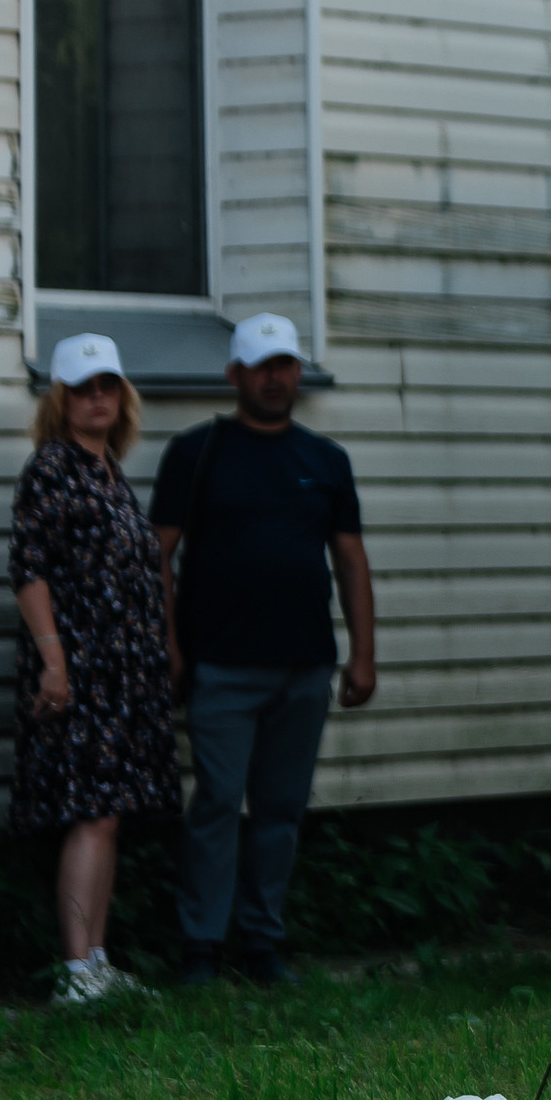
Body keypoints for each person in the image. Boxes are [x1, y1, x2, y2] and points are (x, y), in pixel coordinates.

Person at [151, 313, 375, 988]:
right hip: (220, 662)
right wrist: (168, 644)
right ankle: (200, 947)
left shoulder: (325, 459)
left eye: (286, 365)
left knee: (280, 809)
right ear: (235, 375)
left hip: (305, 662)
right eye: (262, 366)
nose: (277, 378)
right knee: (218, 801)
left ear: (297, 372)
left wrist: (363, 653)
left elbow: (351, 560)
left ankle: (262, 943)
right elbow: (157, 556)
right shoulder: (197, 452)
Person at [8, 334, 182, 1004]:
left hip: (124, 675)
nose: (98, 398)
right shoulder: (52, 468)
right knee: (91, 814)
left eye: (107, 385)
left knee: (109, 816)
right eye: (83, 389)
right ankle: (78, 971)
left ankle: (99, 960)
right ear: (61, 400)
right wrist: (54, 661)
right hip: (78, 671)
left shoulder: (108, 468)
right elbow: (29, 569)